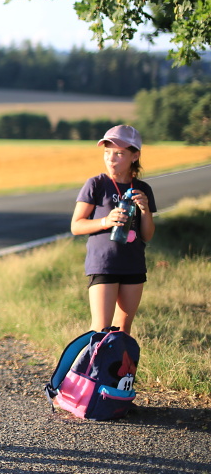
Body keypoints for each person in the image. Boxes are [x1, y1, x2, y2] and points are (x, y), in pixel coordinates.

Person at [70, 125, 156, 335]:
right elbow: (76, 225)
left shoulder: (143, 189)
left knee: (122, 331)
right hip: (103, 263)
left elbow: (147, 235)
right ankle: (88, 369)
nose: (111, 158)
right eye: (107, 153)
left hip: (133, 264)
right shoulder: (96, 184)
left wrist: (144, 210)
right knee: (100, 329)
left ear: (135, 156)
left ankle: (119, 369)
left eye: (119, 153)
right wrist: (105, 222)